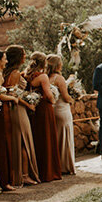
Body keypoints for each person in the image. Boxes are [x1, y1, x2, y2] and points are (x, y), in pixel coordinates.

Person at [3, 45, 39, 185]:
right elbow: (13, 94)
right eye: (23, 54)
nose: (25, 56)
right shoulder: (15, 74)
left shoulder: (12, 72)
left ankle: (21, 174)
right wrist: (29, 104)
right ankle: (23, 175)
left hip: (17, 108)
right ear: (18, 57)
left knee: (21, 140)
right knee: (23, 141)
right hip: (18, 109)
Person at [25, 52, 62, 183]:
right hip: (45, 109)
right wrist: (53, 98)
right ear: (43, 63)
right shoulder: (42, 77)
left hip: (33, 109)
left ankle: (37, 170)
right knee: (47, 137)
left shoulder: (27, 75)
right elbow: (48, 94)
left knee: (37, 138)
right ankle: (48, 172)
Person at [0, 49, 18, 191]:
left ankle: (5, 179)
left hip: (2, 111)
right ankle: (4, 180)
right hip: (0, 112)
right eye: (4, 59)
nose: (6, 61)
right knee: (3, 144)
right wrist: (13, 97)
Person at [46, 54, 76, 175]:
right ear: (58, 65)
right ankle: (65, 166)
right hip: (63, 110)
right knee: (65, 137)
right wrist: (73, 99)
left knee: (56, 137)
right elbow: (65, 96)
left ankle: (57, 164)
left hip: (53, 110)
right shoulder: (59, 78)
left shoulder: (47, 77)